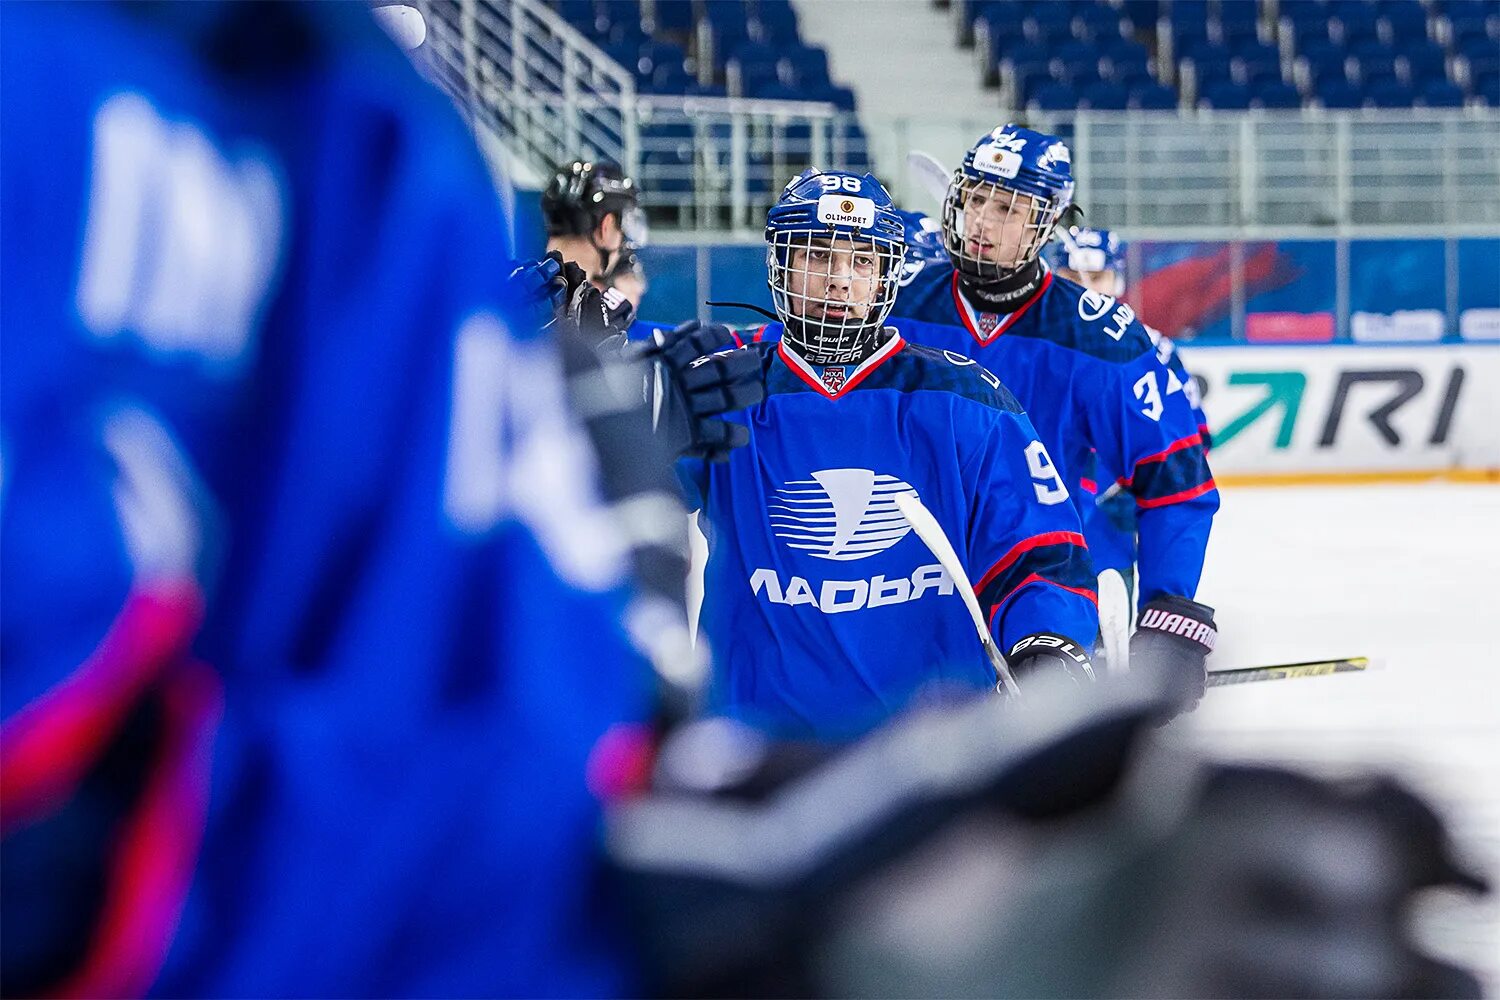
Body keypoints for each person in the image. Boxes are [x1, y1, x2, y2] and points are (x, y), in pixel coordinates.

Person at [674, 169, 1099, 742]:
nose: (840, 281)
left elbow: (1037, 551)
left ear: (887, 275)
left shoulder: (965, 400)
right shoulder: (724, 394)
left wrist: (1047, 638)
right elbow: (608, 499)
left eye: (862, 262)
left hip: (933, 755)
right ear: (782, 266)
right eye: (818, 257)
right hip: (755, 748)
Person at [883, 125, 1219, 710]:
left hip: (1041, 592)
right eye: (976, 199)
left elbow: (1176, 482)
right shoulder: (894, 301)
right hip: (892, 585)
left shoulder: (1100, 337)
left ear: (1046, 222)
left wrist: (1172, 615)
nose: (984, 221)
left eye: (1008, 207)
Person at [1044, 226, 1214, 669]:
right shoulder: (1033, 346)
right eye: (1071, 274)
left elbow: (1191, 446)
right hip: (1037, 515)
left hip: (1108, 524)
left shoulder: (1151, 350)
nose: (1084, 287)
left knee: (1110, 623)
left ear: (1116, 280)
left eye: (1096, 277)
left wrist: (1125, 489)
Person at [543, 159, 648, 292]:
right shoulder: (599, 309)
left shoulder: (514, 286)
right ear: (606, 227)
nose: (623, 246)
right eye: (621, 232)